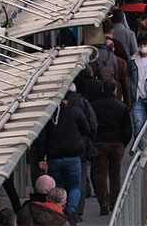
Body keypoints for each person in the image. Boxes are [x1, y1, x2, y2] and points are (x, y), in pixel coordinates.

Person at [32, 94, 89, 218]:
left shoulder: (48, 116)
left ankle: (59, 211)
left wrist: (41, 157)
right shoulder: (76, 111)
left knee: (58, 186)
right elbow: (86, 129)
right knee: (75, 186)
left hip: (54, 157)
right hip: (73, 156)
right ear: (66, 101)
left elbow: (42, 138)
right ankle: (72, 210)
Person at [91, 79, 132, 216]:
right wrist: (123, 144)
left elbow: (91, 125)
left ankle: (103, 202)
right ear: (115, 90)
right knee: (115, 174)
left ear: (103, 89)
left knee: (100, 174)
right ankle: (114, 203)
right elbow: (127, 129)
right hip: (117, 143)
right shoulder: (121, 107)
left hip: (99, 142)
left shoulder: (94, 105)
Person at [65, 83, 97, 219]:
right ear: (76, 89)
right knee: (78, 182)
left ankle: (62, 210)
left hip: (58, 150)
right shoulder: (83, 103)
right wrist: (89, 139)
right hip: (79, 147)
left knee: (62, 180)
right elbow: (92, 125)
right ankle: (76, 210)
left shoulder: (58, 104)